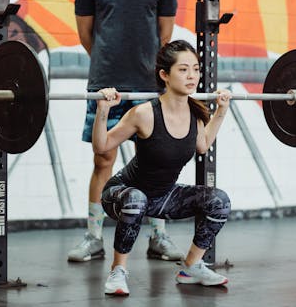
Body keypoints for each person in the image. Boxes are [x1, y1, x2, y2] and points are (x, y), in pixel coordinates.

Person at [93, 40, 232, 296]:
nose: (192, 76)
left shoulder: (195, 114)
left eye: (196, 69)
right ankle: (118, 270)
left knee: (218, 201)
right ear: (164, 75)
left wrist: (221, 111)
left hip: (162, 196)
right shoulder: (144, 113)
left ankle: (191, 266)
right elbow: (102, 146)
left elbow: (202, 145)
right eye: (183, 69)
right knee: (136, 199)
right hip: (122, 194)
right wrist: (103, 110)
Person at [68, 0, 183, 262]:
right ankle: (93, 237)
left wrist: (146, 70)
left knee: (156, 162)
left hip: (149, 85)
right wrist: (111, 66)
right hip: (108, 85)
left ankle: (159, 236)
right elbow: (86, 35)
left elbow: (165, 36)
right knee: (103, 159)